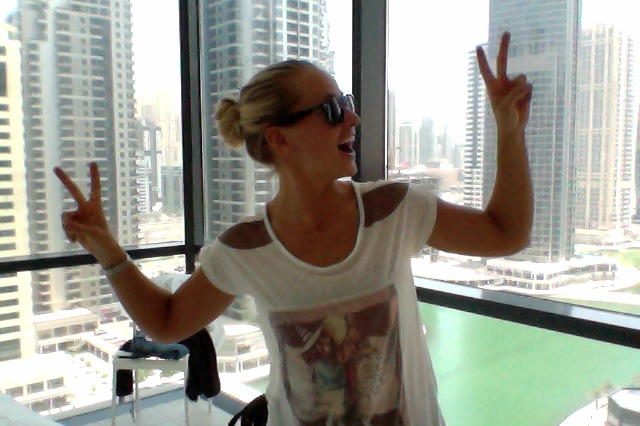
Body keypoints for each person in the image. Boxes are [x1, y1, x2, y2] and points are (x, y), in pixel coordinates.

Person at [55, 32, 532, 425]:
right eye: (333, 110)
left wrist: (509, 129)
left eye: (346, 103)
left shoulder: (393, 211)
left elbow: (505, 233)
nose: (353, 118)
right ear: (280, 139)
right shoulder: (245, 249)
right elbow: (166, 322)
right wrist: (106, 248)